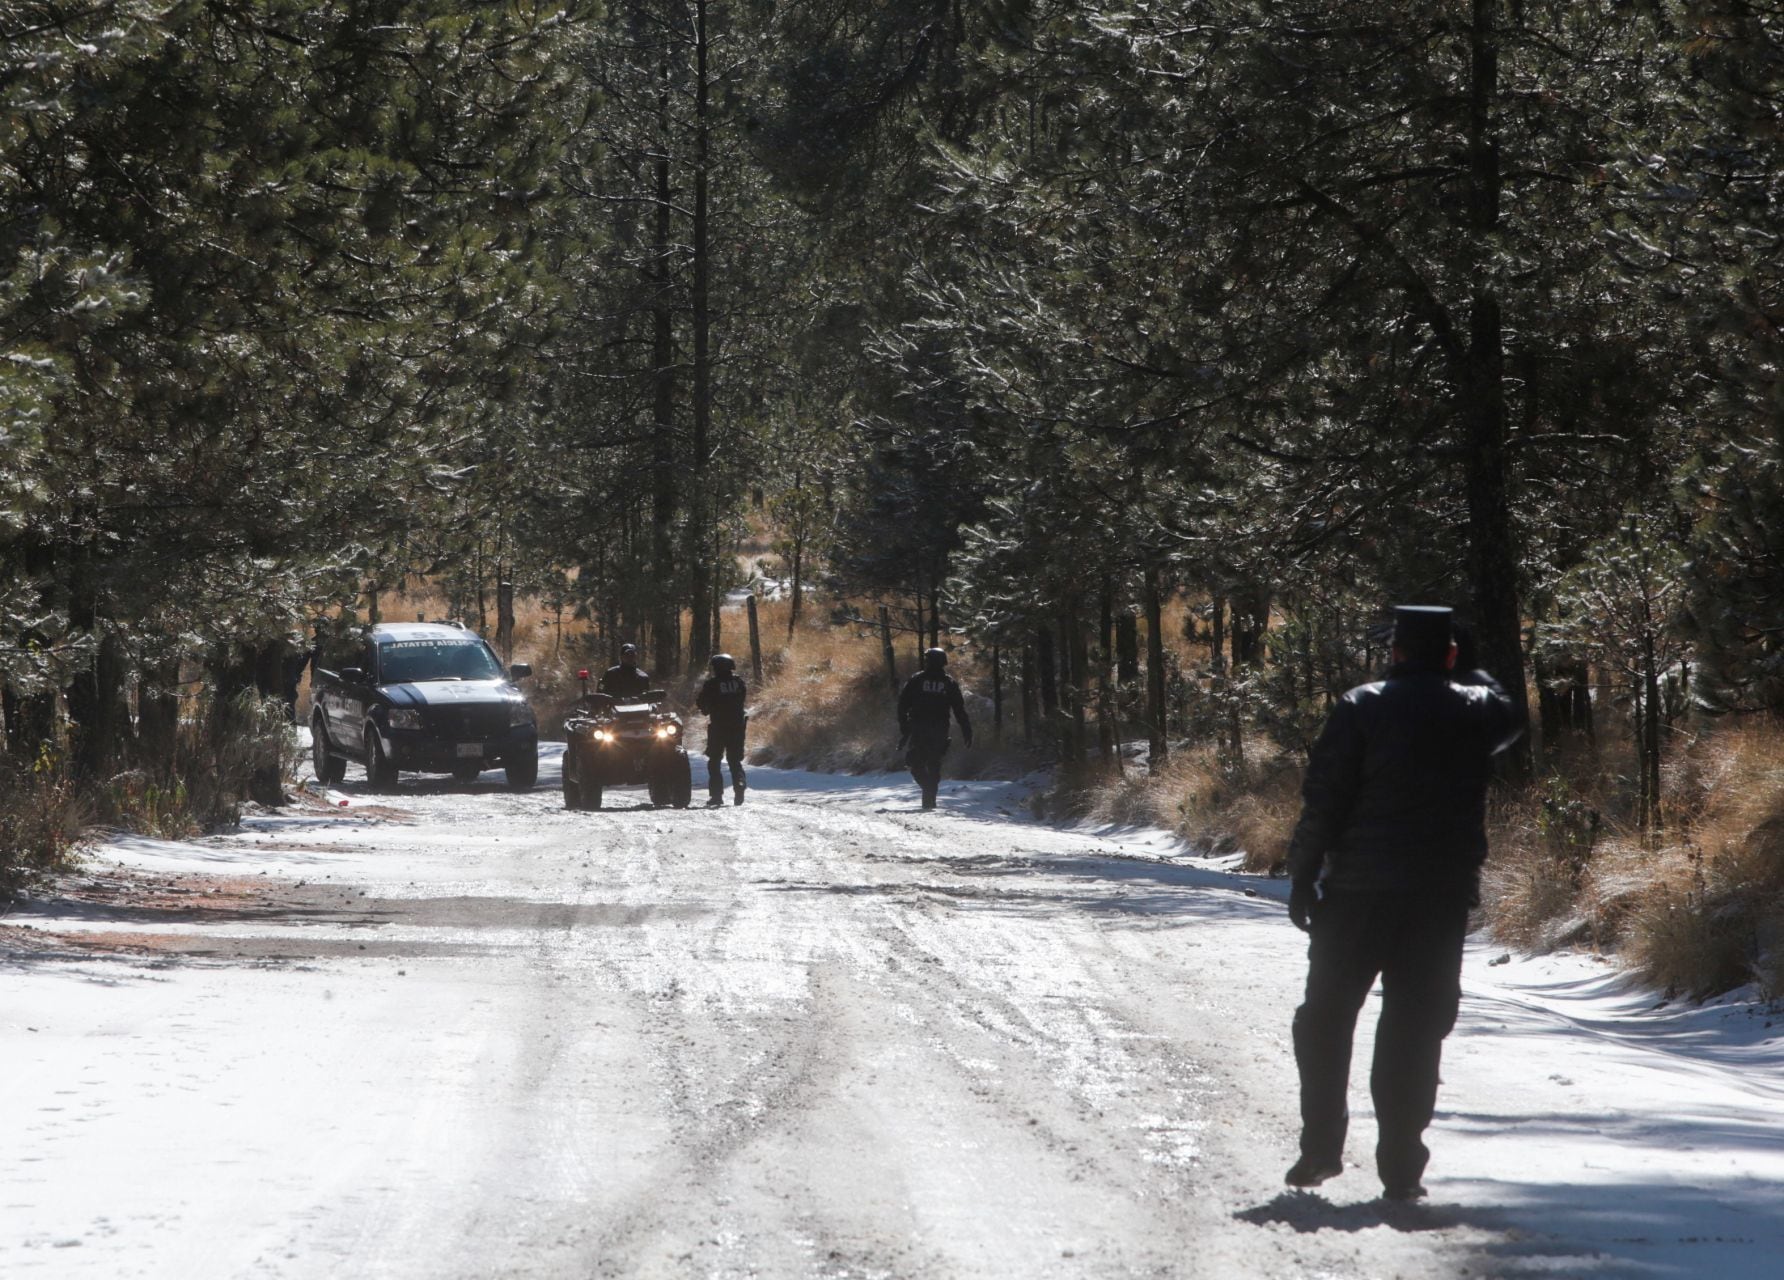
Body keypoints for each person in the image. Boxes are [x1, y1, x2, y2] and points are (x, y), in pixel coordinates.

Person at [1283, 605, 1525, 1201]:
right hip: (1437, 901)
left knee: (1325, 1019)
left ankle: (1320, 1148)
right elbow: (1511, 714)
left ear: (1393, 652)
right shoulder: (1477, 709)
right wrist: (1468, 663)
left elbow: (1324, 800)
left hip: (1356, 895)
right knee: (1414, 1029)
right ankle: (1401, 1166)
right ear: (1448, 655)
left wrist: (1302, 875)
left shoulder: (1359, 705)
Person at [897, 647, 973, 810]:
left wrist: (904, 727)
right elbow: (959, 710)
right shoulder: (949, 682)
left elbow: (902, 705)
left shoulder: (917, 680)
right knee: (933, 764)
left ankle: (928, 795)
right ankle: (929, 798)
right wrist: (966, 730)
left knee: (915, 763)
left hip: (920, 729)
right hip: (938, 729)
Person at [695, 653, 748, 807]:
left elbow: (702, 703)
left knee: (715, 761)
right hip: (738, 726)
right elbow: (741, 700)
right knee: (734, 760)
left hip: (718, 727)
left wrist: (707, 709)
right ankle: (739, 784)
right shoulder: (739, 682)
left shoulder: (712, 684)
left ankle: (716, 796)